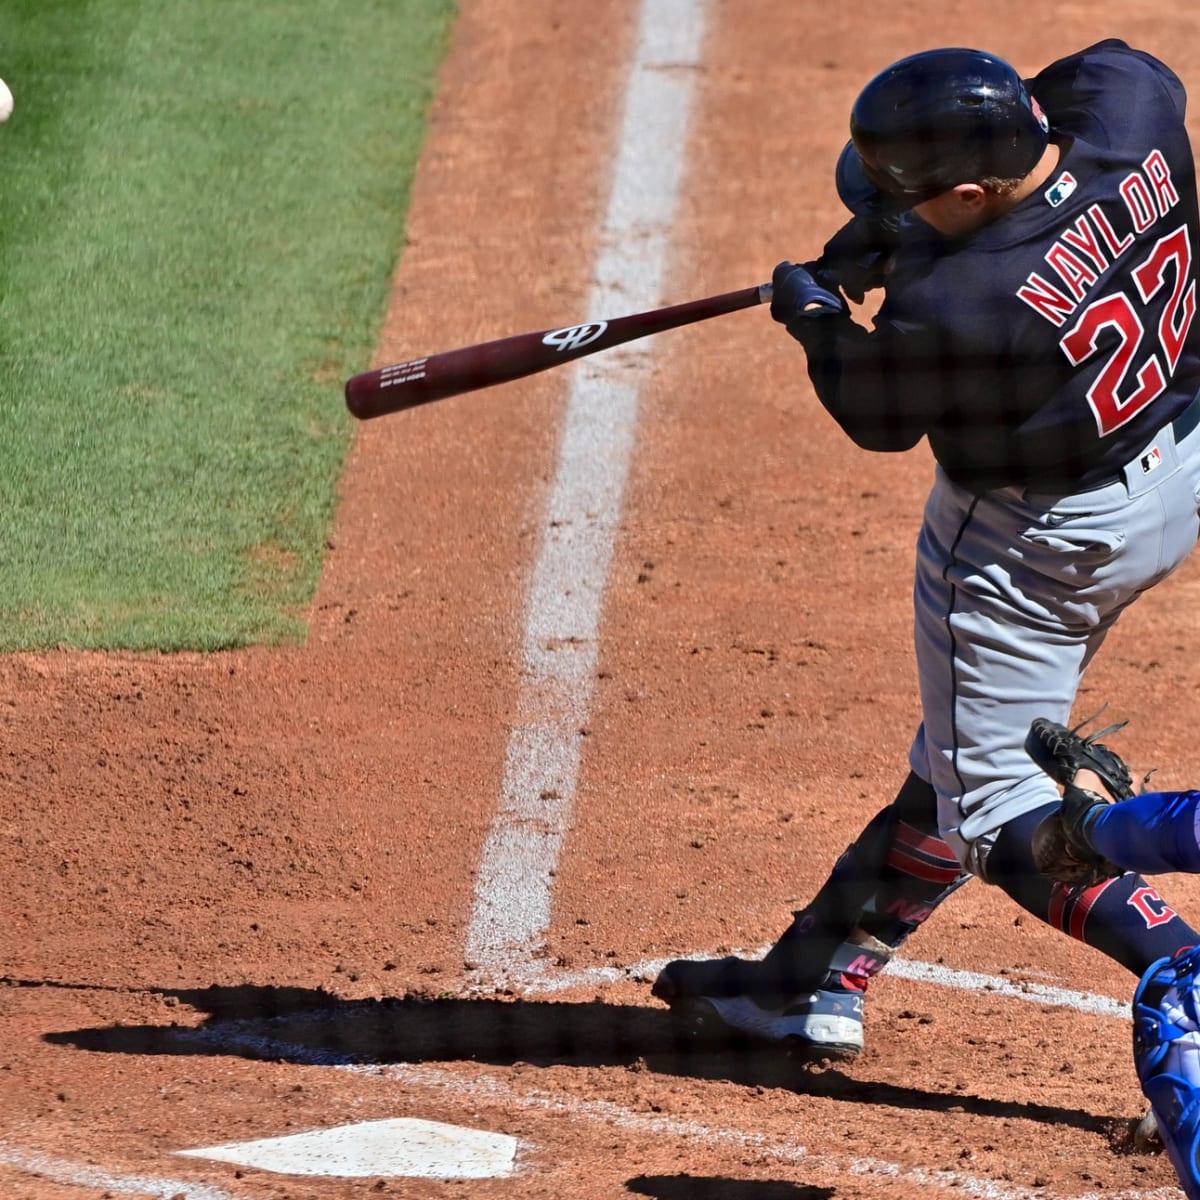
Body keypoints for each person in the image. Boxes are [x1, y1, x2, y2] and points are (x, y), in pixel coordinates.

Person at [652, 39, 1200, 1073]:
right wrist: (898, 234)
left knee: (997, 815)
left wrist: (817, 312)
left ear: (969, 188)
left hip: (1036, 552)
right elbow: (1093, 85)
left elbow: (876, 411)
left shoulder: (960, 306)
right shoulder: (1131, 111)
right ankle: (807, 978)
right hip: (1175, 472)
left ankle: (1185, 964)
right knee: (960, 759)